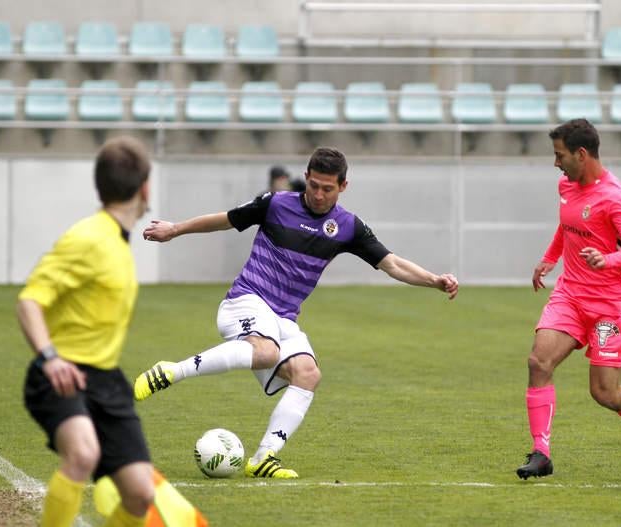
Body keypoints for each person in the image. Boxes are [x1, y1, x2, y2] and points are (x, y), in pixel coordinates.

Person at [134, 147, 459, 479]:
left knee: (308, 374)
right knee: (266, 350)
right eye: (313, 185)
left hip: (282, 319)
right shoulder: (275, 203)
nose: (318, 194)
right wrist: (175, 229)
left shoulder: (347, 227)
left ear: (343, 186)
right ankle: (172, 371)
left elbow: (391, 263)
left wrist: (434, 280)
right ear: (305, 177)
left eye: (327, 188)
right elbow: (226, 219)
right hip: (245, 301)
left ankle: (263, 457)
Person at [18, 136, 155, 526]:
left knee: (141, 493)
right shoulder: (87, 237)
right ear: (145, 187)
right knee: (82, 454)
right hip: (61, 374)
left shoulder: (116, 241)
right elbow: (29, 301)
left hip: (107, 381)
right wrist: (50, 358)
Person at [516, 119, 621, 479]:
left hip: (609, 306)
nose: (555, 163)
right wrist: (550, 258)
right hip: (570, 294)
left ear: (581, 154)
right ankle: (541, 453)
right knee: (539, 362)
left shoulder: (616, 198)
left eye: (559, 155)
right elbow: (567, 224)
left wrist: (608, 259)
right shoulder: (566, 185)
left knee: (604, 392)